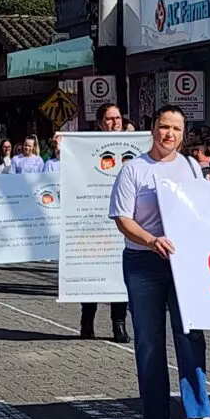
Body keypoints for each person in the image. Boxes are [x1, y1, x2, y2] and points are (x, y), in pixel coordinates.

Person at [109, 105, 210, 419]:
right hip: (143, 262)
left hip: (183, 262)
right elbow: (122, 218)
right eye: (164, 127)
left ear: (183, 135)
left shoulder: (190, 168)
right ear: (152, 129)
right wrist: (150, 239)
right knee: (150, 341)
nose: (169, 134)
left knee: (190, 334)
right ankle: (157, 416)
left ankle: (198, 410)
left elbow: (202, 211)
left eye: (176, 129)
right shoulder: (134, 170)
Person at [82, 103, 131, 342]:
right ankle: (87, 320)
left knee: (117, 273)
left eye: (118, 118)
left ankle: (119, 323)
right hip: (92, 218)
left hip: (121, 219)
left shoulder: (134, 146)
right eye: (109, 119)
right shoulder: (86, 146)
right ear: (100, 122)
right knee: (93, 269)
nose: (115, 123)